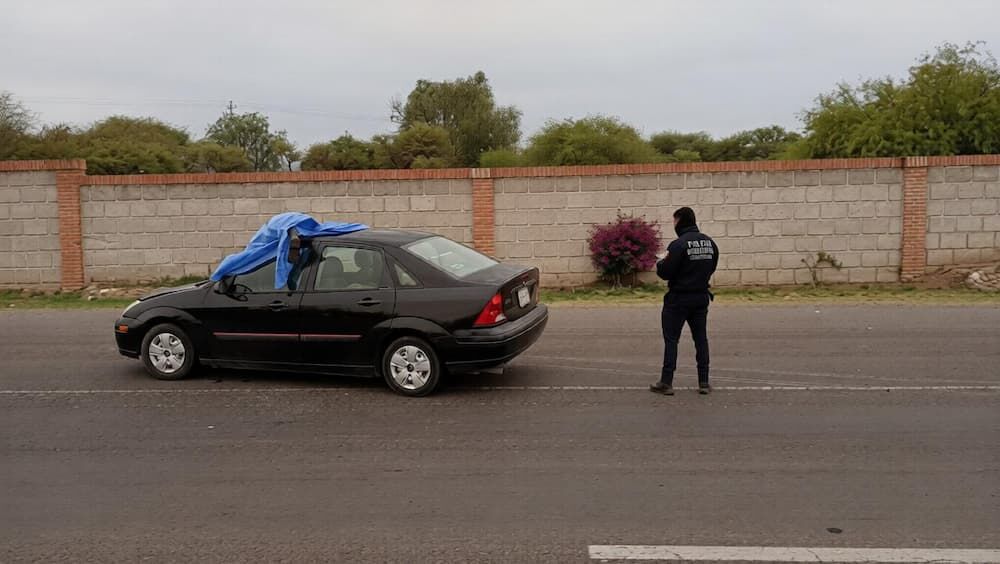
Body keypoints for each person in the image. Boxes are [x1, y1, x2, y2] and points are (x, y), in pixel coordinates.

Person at [649, 207, 719, 396]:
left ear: (680, 220)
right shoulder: (710, 243)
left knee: (672, 339)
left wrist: (661, 262)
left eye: (674, 221)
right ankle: (703, 382)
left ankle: (666, 381)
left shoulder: (678, 245)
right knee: (700, 339)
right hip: (700, 297)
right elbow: (712, 267)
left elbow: (665, 272)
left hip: (678, 299)